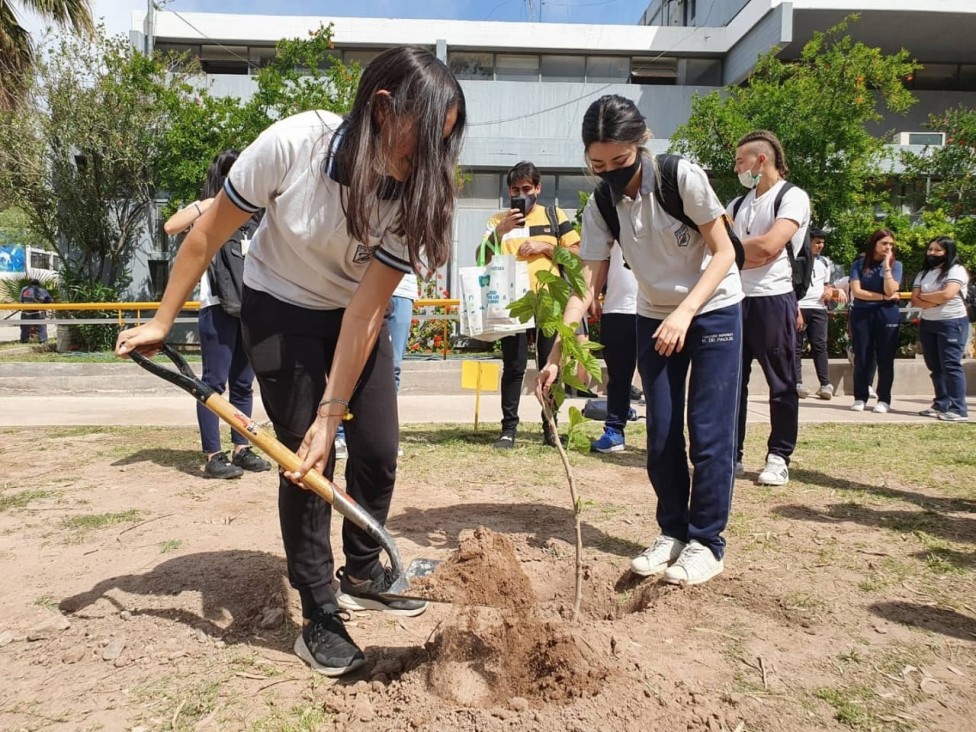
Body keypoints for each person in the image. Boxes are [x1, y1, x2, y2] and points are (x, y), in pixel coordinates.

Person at [115, 47, 466, 677]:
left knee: (379, 447)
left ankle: (361, 569)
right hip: (278, 306)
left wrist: (336, 411)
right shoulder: (295, 144)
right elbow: (207, 232)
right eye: (423, 144)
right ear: (382, 110)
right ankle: (318, 611)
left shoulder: (419, 194)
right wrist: (164, 320)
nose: (430, 163)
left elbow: (364, 313)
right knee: (305, 461)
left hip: (350, 315)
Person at [539, 94, 743, 586]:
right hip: (653, 317)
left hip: (712, 309)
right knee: (662, 433)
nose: (609, 172)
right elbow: (587, 282)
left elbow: (723, 253)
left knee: (710, 433)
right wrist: (557, 353)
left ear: (641, 142)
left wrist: (686, 312)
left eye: (620, 161)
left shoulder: (681, 177)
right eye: (597, 164)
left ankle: (706, 543)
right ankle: (672, 532)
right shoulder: (602, 203)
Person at [164, 150, 272, 480]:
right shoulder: (210, 212)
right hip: (217, 307)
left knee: (243, 384)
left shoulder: (258, 214)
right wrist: (211, 202)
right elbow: (171, 226)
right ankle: (213, 454)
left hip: (252, 307)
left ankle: (242, 448)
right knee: (213, 383)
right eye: (232, 175)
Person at [729, 130, 811, 487]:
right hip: (734, 298)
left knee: (781, 383)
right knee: (732, 383)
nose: (736, 168)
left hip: (774, 298)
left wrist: (735, 254)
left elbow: (770, 246)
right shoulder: (738, 203)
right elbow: (718, 249)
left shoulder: (791, 197)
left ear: (761, 160)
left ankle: (779, 456)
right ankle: (731, 454)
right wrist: (747, 253)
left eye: (739, 161)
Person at [480, 160, 581, 448]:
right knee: (514, 366)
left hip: (549, 299)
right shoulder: (497, 221)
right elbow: (480, 259)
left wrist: (546, 247)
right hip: (513, 305)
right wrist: (500, 232)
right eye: (515, 189)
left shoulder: (554, 215)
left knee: (549, 364)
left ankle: (551, 426)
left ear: (538, 188)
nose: (521, 194)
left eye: (527, 188)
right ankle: (508, 429)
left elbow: (576, 255)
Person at [911, 236, 970, 422]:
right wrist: (933, 299)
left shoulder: (956, 270)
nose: (932, 253)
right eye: (930, 249)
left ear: (948, 252)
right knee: (935, 366)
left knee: (951, 365)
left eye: (937, 250)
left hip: (952, 322)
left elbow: (947, 294)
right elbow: (914, 299)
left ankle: (958, 409)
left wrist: (927, 298)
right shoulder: (924, 273)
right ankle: (941, 403)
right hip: (928, 322)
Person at [589, 244, 638, 453]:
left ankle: (663, 435)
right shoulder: (613, 213)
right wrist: (594, 294)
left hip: (656, 307)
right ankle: (615, 430)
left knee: (658, 377)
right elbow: (603, 259)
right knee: (617, 377)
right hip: (617, 307)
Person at [849, 229, 902, 413]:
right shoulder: (859, 265)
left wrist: (887, 266)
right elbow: (858, 292)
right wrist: (883, 297)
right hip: (862, 314)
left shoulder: (896, 265)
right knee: (862, 355)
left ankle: (884, 399)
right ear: (874, 244)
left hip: (887, 314)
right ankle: (860, 397)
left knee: (886, 357)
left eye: (891, 244)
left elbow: (892, 289)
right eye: (884, 243)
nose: (888, 247)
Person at [795, 227, 847, 400]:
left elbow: (826, 284)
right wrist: (796, 310)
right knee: (796, 347)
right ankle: (797, 382)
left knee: (820, 346)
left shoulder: (824, 262)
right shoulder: (797, 260)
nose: (820, 246)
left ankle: (825, 384)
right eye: (817, 242)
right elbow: (791, 287)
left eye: (822, 242)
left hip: (818, 308)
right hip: (800, 306)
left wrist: (833, 291)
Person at [19, 278, 53, 344]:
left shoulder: (24, 289)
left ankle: (24, 340)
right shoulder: (41, 290)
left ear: (30, 284)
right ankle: (43, 341)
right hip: (38, 310)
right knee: (41, 325)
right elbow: (50, 300)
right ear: (38, 284)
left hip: (26, 309)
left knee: (25, 326)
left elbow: (21, 300)